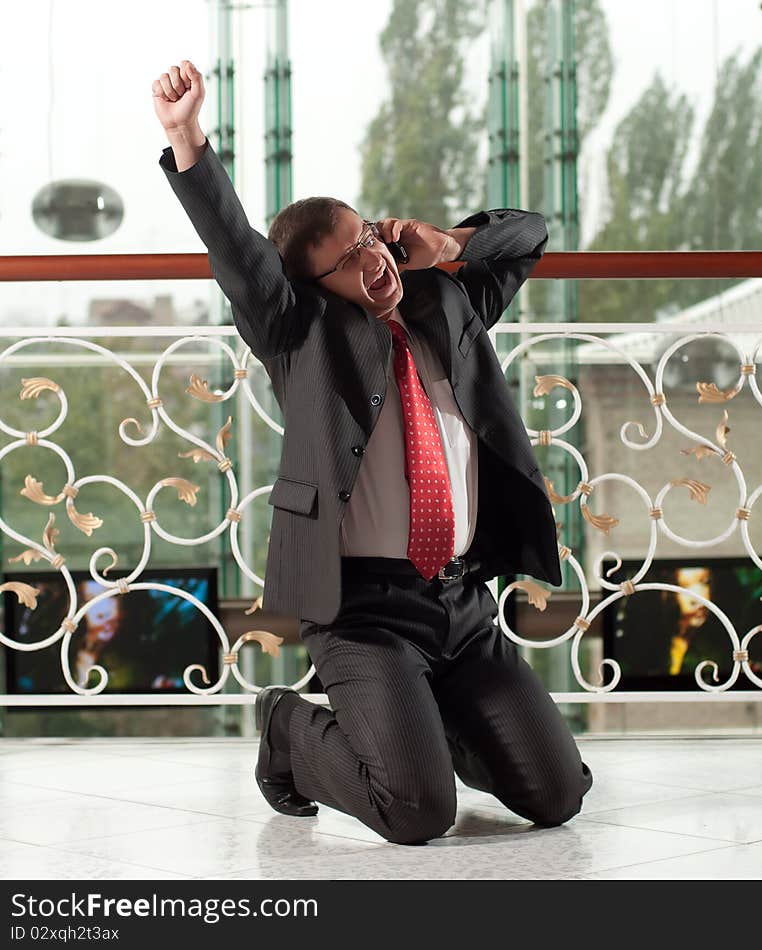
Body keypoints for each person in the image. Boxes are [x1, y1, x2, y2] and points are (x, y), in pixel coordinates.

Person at [152, 59, 592, 845]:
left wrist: (445, 242)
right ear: (315, 285)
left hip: (462, 605)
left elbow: (530, 235)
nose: (374, 257)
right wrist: (187, 136)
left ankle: (431, 721)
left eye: (369, 235)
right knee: (416, 811)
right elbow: (235, 248)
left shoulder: (444, 300)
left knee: (559, 795)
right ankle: (289, 729)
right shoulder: (300, 334)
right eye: (349, 256)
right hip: (363, 612)